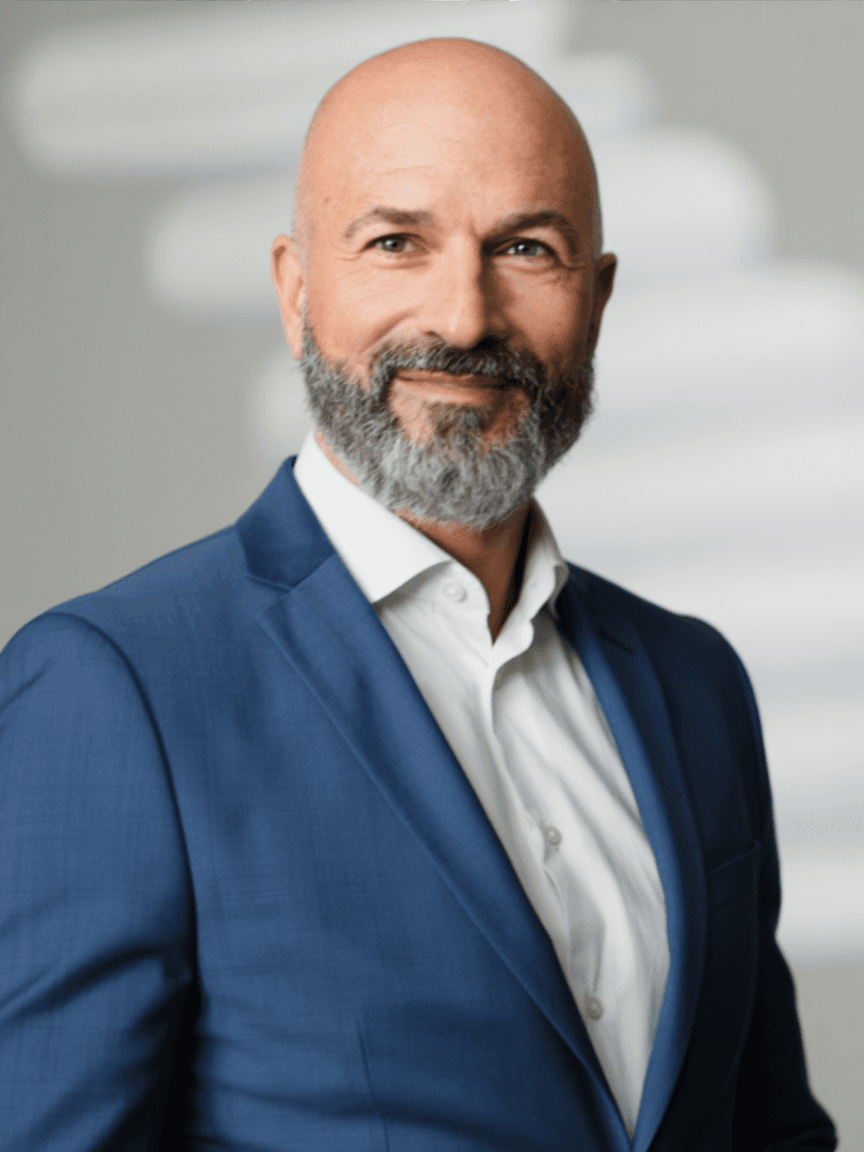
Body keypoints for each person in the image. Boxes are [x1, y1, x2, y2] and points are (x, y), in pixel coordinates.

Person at [0, 37, 835, 1152]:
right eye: (397, 242)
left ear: (597, 298)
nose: (466, 316)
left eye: (527, 248)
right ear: (297, 292)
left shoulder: (694, 685)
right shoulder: (115, 692)